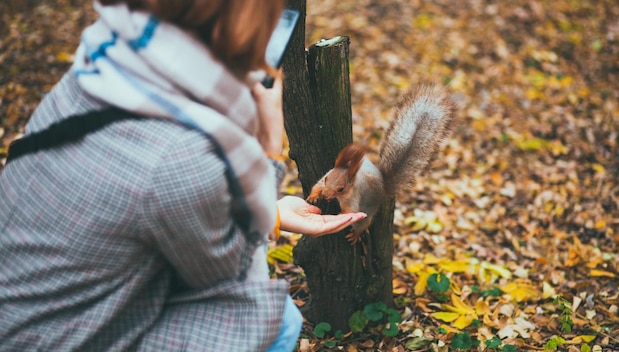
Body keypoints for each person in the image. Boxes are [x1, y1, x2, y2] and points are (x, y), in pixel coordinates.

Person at [0, 0, 367, 351]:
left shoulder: (102, 60)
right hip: (56, 339)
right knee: (278, 320)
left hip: (24, 314)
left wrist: (269, 214)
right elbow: (230, 277)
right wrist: (268, 147)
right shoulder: (180, 158)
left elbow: (146, 206)